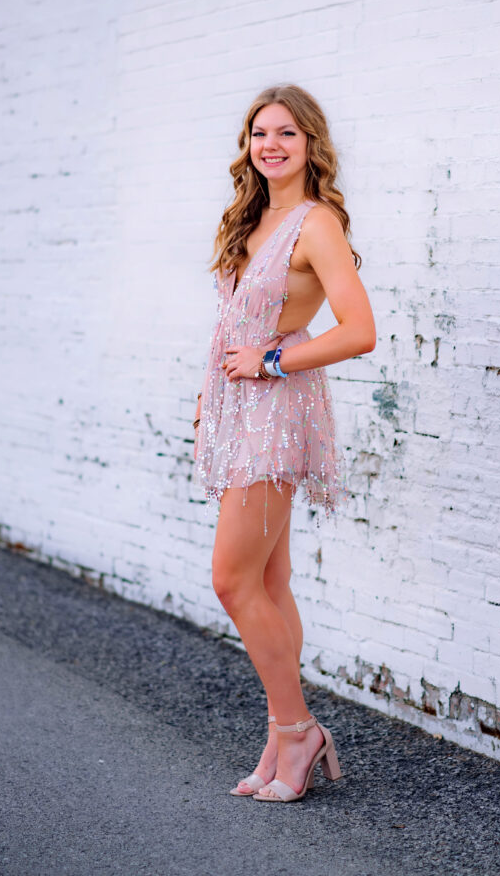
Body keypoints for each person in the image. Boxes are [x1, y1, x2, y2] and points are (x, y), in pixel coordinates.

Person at [192, 84, 376, 803]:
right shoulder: (252, 219)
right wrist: (212, 394)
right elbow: (233, 325)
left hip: (276, 414)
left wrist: (268, 362)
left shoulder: (315, 223)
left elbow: (358, 330)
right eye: (260, 133)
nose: (271, 144)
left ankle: (299, 732)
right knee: (268, 582)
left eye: (287, 134)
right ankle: (280, 732)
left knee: (231, 580)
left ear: (311, 146)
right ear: (248, 145)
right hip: (239, 412)